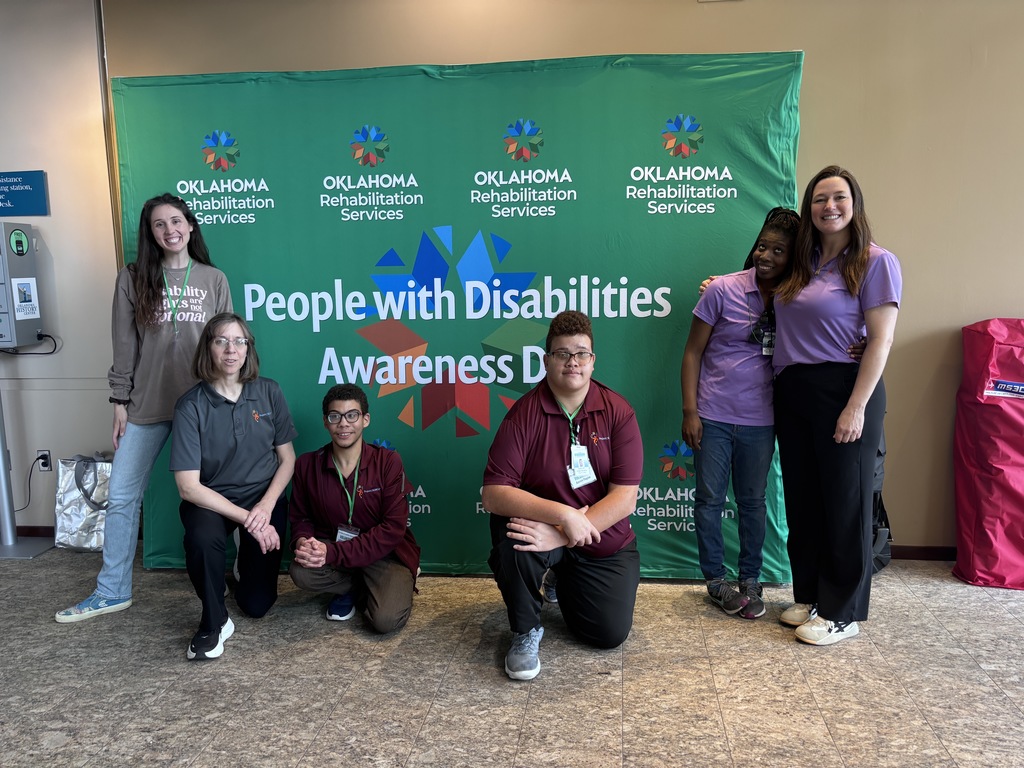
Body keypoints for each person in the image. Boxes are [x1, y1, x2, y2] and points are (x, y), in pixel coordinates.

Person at [56, 194, 232, 623]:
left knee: (224, 493)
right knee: (121, 496)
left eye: (176, 221)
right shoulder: (133, 278)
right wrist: (119, 401)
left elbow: (229, 344)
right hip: (146, 404)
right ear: (150, 233)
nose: (169, 230)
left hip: (203, 406)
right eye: (159, 224)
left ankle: (228, 579)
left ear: (190, 226)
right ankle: (112, 590)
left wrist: (230, 400)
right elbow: (124, 344)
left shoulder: (213, 278)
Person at [772, 165, 901, 646]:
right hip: (793, 388)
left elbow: (881, 341)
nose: (829, 206)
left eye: (839, 197)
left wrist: (856, 406)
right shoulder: (802, 261)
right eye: (820, 198)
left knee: (845, 503)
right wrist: (717, 281)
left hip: (846, 389)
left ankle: (842, 610)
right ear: (809, 208)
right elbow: (759, 276)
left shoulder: (874, 261)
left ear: (854, 204)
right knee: (804, 500)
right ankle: (809, 594)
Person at [483, 310, 643, 681]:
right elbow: (493, 493)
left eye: (581, 354)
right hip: (544, 529)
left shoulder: (618, 412)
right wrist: (563, 514)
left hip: (598, 537)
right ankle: (525, 630)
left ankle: (562, 578)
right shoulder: (523, 415)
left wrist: (566, 530)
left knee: (606, 635)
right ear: (547, 360)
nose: (573, 362)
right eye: (562, 354)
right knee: (514, 539)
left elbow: (625, 498)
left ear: (593, 360)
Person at [681, 207, 799, 620]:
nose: (766, 255)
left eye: (779, 250)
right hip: (712, 416)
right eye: (762, 246)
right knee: (710, 499)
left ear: (794, 257)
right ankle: (715, 580)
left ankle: (751, 579)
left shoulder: (796, 299)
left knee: (752, 502)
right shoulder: (722, 290)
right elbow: (692, 352)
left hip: (761, 421)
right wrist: (690, 411)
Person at [170, 312, 297, 660]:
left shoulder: (269, 391)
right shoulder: (190, 406)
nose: (231, 349)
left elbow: (287, 459)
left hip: (263, 501)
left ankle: (243, 562)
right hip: (213, 501)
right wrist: (249, 520)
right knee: (201, 538)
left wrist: (266, 508)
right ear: (208, 348)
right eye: (221, 341)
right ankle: (214, 621)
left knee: (256, 605)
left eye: (239, 341)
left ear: (248, 349)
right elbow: (188, 488)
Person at [288, 384, 420, 633]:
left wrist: (331, 554)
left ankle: (371, 587)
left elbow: (392, 530)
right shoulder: (307, 465)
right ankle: (353, 587)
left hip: (383, 554)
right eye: (335, 416)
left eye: (352, 415)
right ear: (326, 422)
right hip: (333, 548)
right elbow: (300, 517)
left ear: (365, 420)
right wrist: (303, 543)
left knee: (385, 621)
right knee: (301, 571)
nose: (343, 423)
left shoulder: (388, 462)